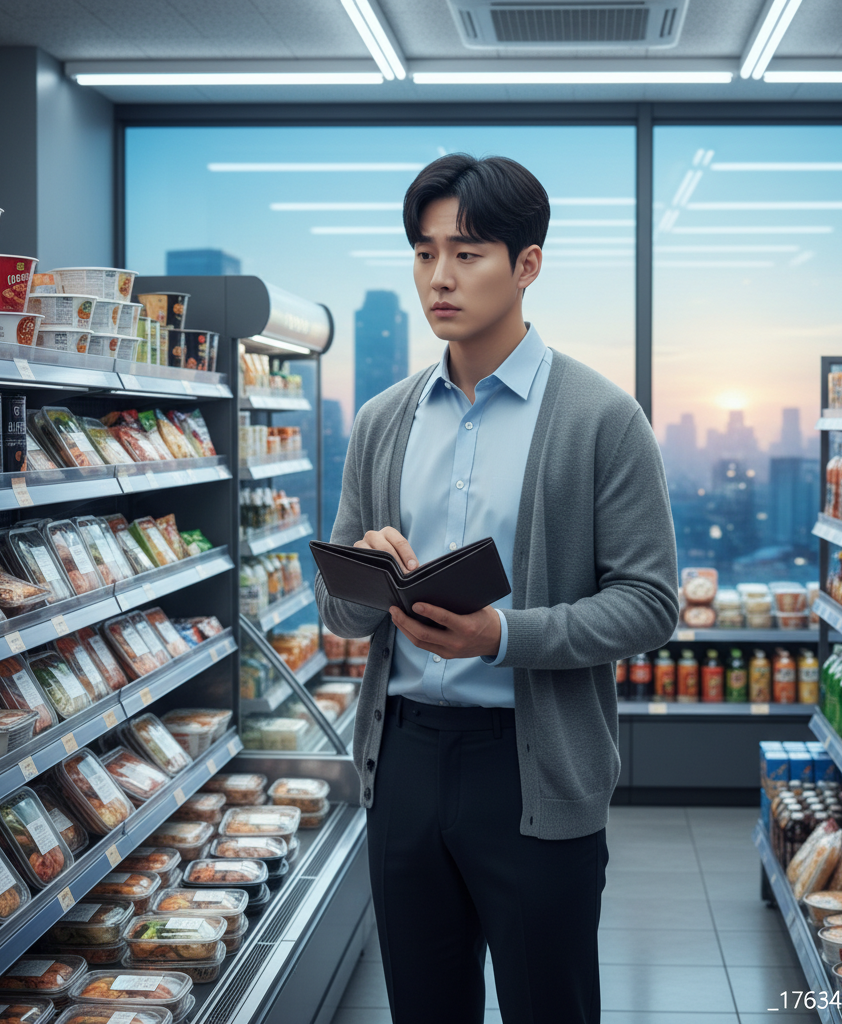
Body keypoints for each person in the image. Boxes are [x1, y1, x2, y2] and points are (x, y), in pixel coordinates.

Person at [314, 153, 678, 1024]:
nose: (439, 277)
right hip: (401, 758)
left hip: (532, 765)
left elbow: (649, 602)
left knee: (549, 1003)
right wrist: (367, 574)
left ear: (528, 265)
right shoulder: (381, 419)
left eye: (468, 252)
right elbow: (340, 612)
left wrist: (500, 637)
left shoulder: (600, 419)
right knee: (424, 1007)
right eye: (424, 251)